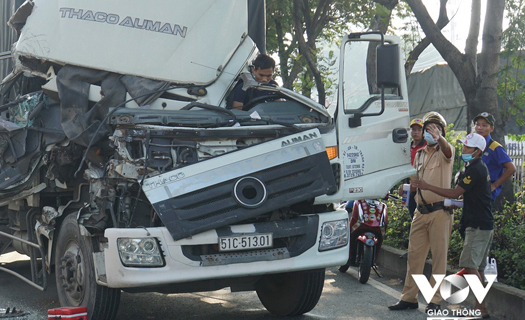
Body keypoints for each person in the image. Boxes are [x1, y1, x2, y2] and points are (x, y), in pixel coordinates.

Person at [412, 132, 493, 319]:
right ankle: (481, 308)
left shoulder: (475, 169)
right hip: (481, 223)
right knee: (477, 268)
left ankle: (480, 309)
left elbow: (455, 192)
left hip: (478, 225)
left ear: (478, 151)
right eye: (463, 146)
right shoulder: (473, 166)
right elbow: (463, 195)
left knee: (470, 266)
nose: (463, 149)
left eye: (467, 147)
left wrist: (428, 186)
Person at [389, 111, 454, 313]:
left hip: (439, 212)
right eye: (428, 128)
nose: (430, 132)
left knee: (438, 259)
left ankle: (435, 301)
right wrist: (407, 188)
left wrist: (439, 138)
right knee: (415, 257)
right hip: (420, 211)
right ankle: (409, 298)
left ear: (442, 132)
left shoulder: (445, 151)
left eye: (435, 128)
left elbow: (448, 152)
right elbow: (417, 182)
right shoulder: (419, 153)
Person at [473, 112, 516, 203]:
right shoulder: (472, 145)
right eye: (477, 125)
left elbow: (511, 168)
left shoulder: (495, 147)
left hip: (486, 193)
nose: (480, 128)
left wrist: (495, 185)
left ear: (491, 128)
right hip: (472, 190)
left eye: (484, 125)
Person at [408, 118, 427, 218]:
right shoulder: (407, 146)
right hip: (410, 185)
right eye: (413, 129)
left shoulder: (427, 145)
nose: (416, 132)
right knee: (412, 213)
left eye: (419, 130)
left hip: (423, 183)